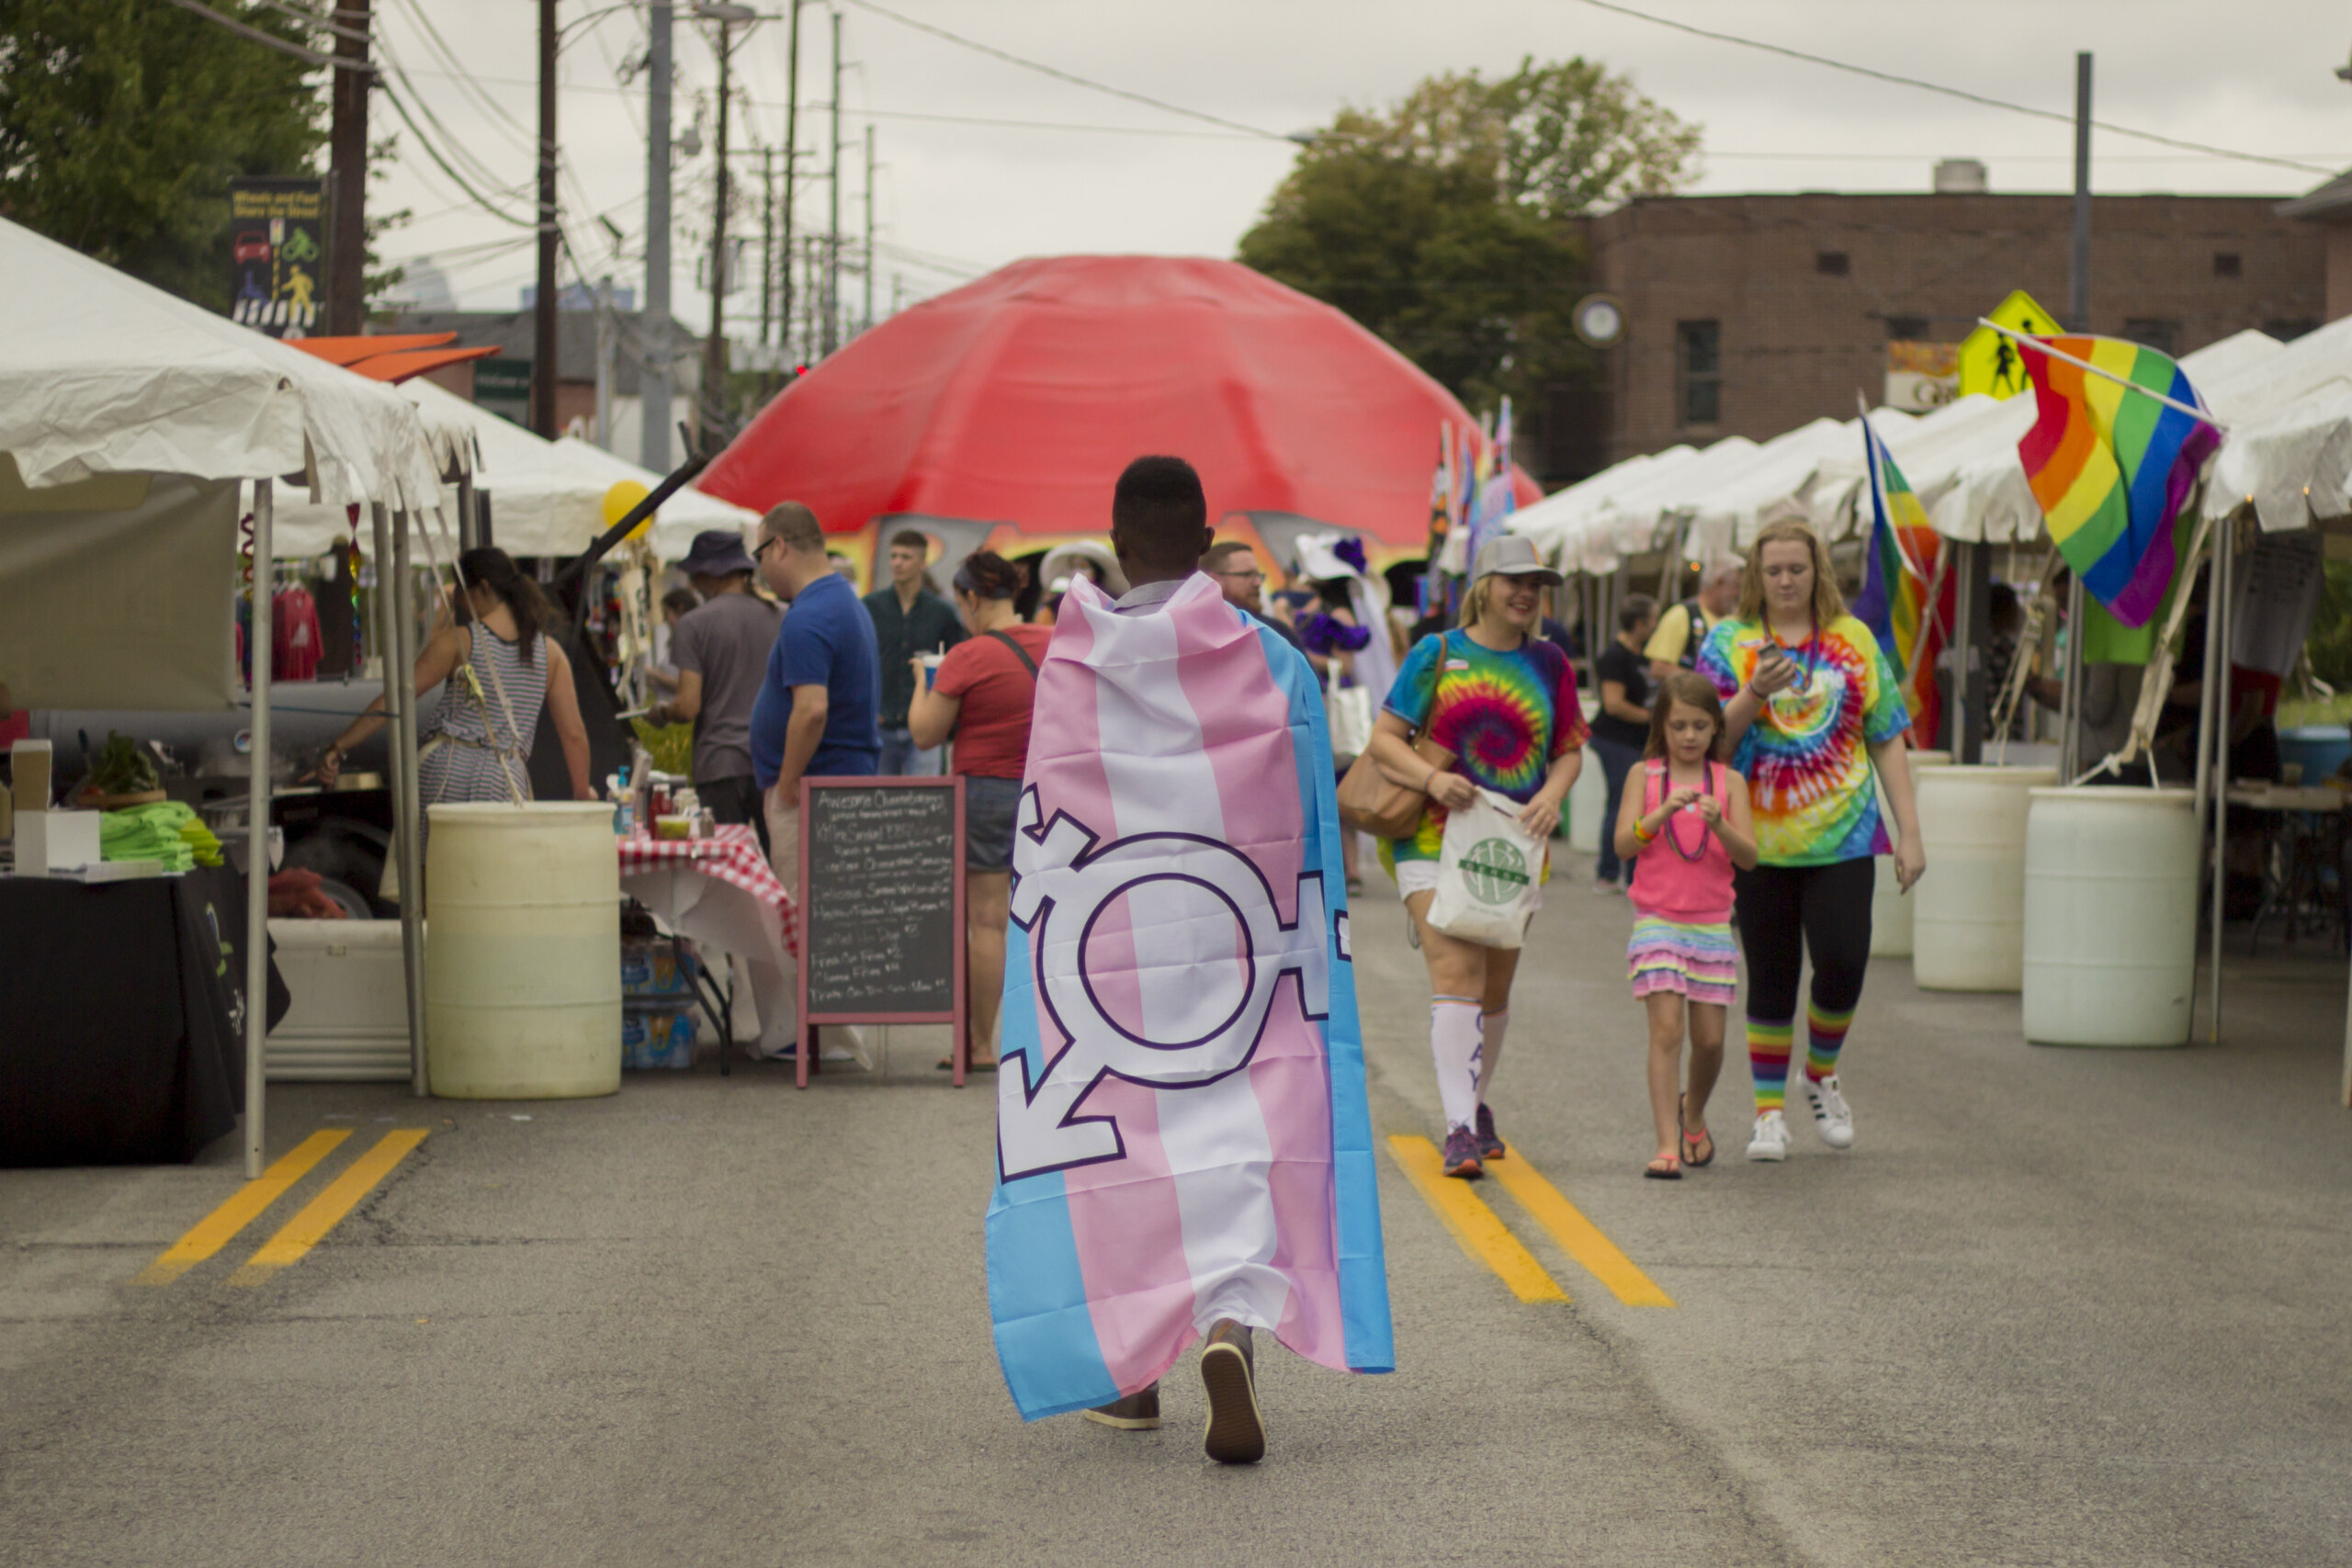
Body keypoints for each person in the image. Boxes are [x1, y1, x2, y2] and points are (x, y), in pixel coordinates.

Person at [990, 454, 1390, 1466]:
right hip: (1244, 950)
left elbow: (1047, 821)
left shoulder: (1073, 665)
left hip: (1110, 963)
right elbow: (1306, 821)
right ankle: (1227, 1331)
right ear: (1206, 535)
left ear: (1117, 544)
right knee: (1238, 1150)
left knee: (1125, 1156)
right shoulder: (1273, 661)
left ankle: (1128, 1387)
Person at [1698, 518, 1924, 1163]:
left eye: (1798, 568)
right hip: (1755, 840)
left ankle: (1821, 1074)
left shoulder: (1853, 641)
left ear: (1818, 570)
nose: (1787, 580)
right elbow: (1708, 740)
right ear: (1755, 576)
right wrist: (1752, 692)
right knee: (1771, 975)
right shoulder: (1728, 642)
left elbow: (1886, 735)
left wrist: (1910, 831)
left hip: (1846, 835)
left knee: (1845, 960)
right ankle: (1768, 1114)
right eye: (1774, 570)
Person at [1367, 535, 1588, 1179]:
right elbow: (1383, 739)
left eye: (1536, 583)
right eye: (1513, 579)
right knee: (1456, 970)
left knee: (1495, 985)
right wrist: (1432, 780)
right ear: (1483, 585)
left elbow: (1569, 747)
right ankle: (1459, 1126)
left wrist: (1552, 793)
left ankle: (1474, 1101)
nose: (1525, 592)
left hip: (1512, 844)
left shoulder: (1550, 662)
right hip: (1431, 837)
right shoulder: (1439, 652)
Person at [906, 551, 1049, 1074]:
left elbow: (925, 732)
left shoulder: (969, 656)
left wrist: (925, 678)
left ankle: (980, 1045)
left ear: (972, 598)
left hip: (986, 793)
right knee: (1049, 919)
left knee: (989, 921)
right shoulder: (1056, 644)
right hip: (1050, 793)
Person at [316, 547, 593, 814]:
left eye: (461, 591)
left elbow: (396, 699)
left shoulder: (460, 641)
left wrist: (339, 746)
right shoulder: (550, 653)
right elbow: (574, 734)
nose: (460, 601)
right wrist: (582, 792)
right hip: (505, 780)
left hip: (446, 772)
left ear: (482, 587)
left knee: (437, 861)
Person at [1614, 672, 1756, 1179]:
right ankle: (1666, 1144)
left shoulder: (1730, 783)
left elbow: (1750, 857)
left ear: (1716, 727)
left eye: (1700, 725)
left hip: (1712, 926)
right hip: (1657, 922)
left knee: (1711, 1041)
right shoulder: (1645, 777)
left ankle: (1692, 1112)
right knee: (1667, 1030)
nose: (1690, 736)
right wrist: (1657, 816)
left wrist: (1720, 823)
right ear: (1662, 727)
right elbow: (1623, 845)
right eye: (1679, 726)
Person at [748, 502, 883, 896]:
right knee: (831, 920)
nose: (761, 569)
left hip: (813, 794)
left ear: (779, 547)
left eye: (759, 556)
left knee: (803, 923)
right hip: (837, 788)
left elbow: (811, 710)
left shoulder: (810, 614)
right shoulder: (843, 601)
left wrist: (789, 783)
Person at [650, 531, 783, 850]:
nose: (693, 583)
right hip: (773, 762)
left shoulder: (694, 624)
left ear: (710, 573)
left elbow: (687, 706)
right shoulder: (782, 616)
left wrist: (662, 712)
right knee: (779, 867)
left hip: (720, 764)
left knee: (724, 868)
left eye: (696, 575)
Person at [864, 529, 967, 776]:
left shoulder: (942, 612)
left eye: (906, 557)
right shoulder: (870, 607)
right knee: (878, 805)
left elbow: (957, 666)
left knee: (926, 805)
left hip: (926, 725)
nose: (897, 563)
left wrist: (947, 721)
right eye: (893, 556)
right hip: (881, 723)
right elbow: (858, 663)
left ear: (922, 562)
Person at [1590, 593, 1659, 891]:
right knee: (1621, 804)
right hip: (1614, 739)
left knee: (1637, 804)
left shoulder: (1642, 655)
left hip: (1635, 742)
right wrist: (1651, 717)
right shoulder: (1615, 656)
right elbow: (1613, 704)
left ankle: (1633, 874)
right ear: (1640, 623)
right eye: (1654, 620)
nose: (1657, 627)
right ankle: (1607, 874)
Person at [1202, 539, 1307, 658]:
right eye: (1247, 575)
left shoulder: (1274, 631)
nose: (1258, 583)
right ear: (1215, 581)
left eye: (1258, 575)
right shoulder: (1195, 634)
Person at [1648, 560, 1742, 679]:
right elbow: (1659, 668)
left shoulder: (1735, 621)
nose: (1739, 593)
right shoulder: (1682, 614)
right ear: (1719, 582)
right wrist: (1704, 681)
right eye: (1737, 586)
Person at [648, 586, 701, 698]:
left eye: (667, 613)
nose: (665, 619)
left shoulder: (692, 643)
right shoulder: (675, 642)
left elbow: (686, 685)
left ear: (680, 611)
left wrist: (655, 674)